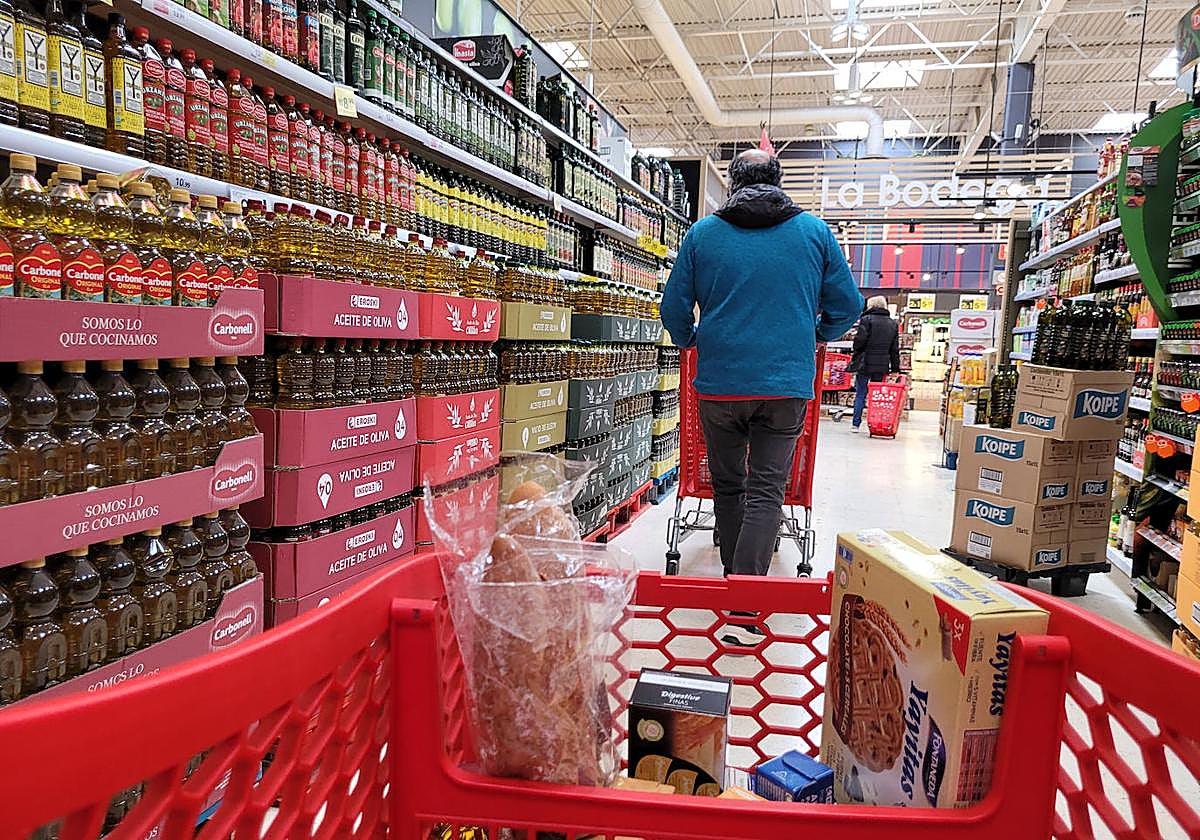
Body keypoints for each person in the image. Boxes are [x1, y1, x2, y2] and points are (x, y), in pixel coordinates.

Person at [660, 148, 862, 598]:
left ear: (732, 183)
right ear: (779, 180)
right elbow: (849, 304)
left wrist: (689, 337)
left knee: (729, 486)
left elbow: (672, 307)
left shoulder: (703, 234)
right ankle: (746, 599)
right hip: (785, 384)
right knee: (768, 489)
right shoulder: (813, 231)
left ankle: (736, 584)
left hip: (720, 383)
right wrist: (816, 333)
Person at [850, 295, 901, 432]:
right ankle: (875, 422)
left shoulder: (866, 320)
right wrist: (896, 368)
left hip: (865, 363)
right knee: (877, 396)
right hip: (882, 365)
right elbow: (894, 349)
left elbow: (860, 340)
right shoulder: (892, 324)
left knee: (861, 393)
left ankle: (856, 424)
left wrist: (856, 351)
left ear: (871, 306)